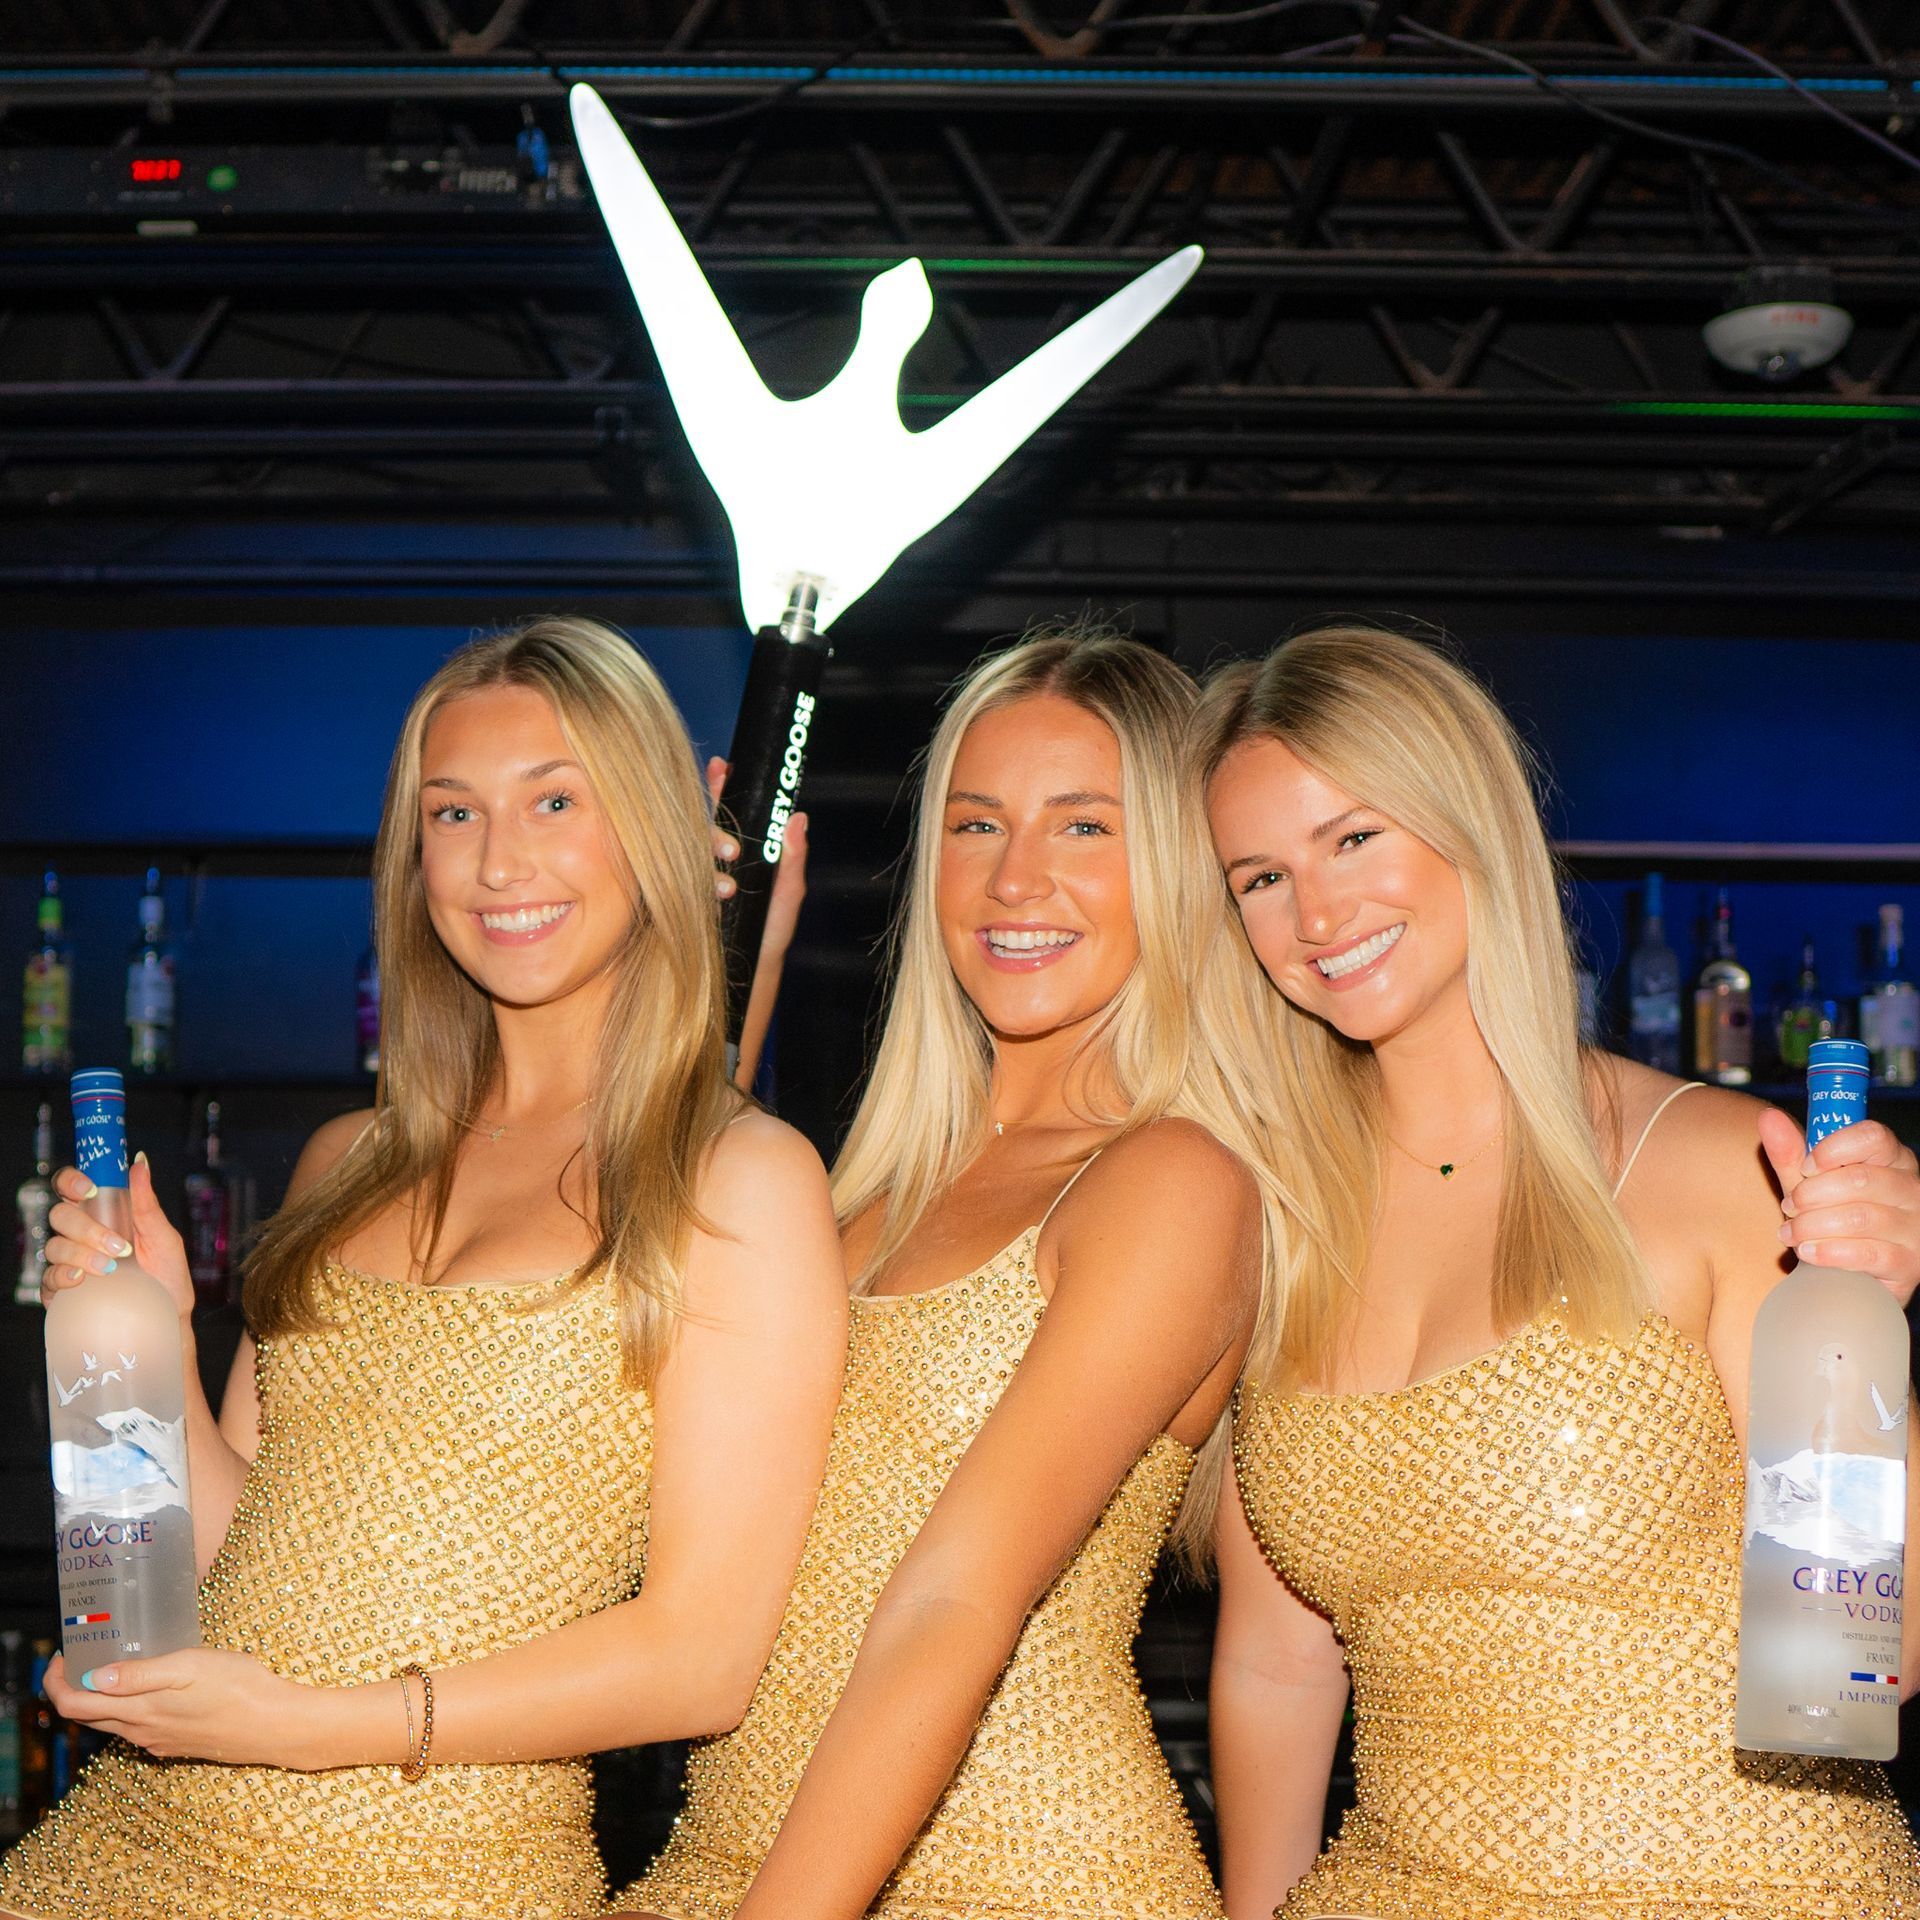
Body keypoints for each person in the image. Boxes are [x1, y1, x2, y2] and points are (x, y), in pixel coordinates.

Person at [0, 618, 847, 1920]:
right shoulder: (349, 1159)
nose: (499, 860)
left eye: (554, 800)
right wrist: (161, 1348)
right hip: (118, 1856)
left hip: (437, 1880)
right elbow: (238, 1542)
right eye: (452, 815)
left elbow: (701, 1659)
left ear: (653, 832)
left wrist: (314, 1727)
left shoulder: (738, 1179)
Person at [1196, 624, 1920, 1920]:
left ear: (1467, 818)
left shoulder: (1712, 1168)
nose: (1314, 914)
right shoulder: (1280, 1216)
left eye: (1354, 837)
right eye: (1259, 876)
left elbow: (1878, 1653)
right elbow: (1276, 1668)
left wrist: (1861, 1325)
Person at [617, 625, 1264, 1920]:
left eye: (1084, 828)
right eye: (976, 826)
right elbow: (660, 1270)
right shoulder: (859, 1193)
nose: (1016, 879)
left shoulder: (1169, 1182)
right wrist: (744, 958)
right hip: (726, 1862)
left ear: (1180, 869)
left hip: (1016, 1881)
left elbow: (955, 1597)